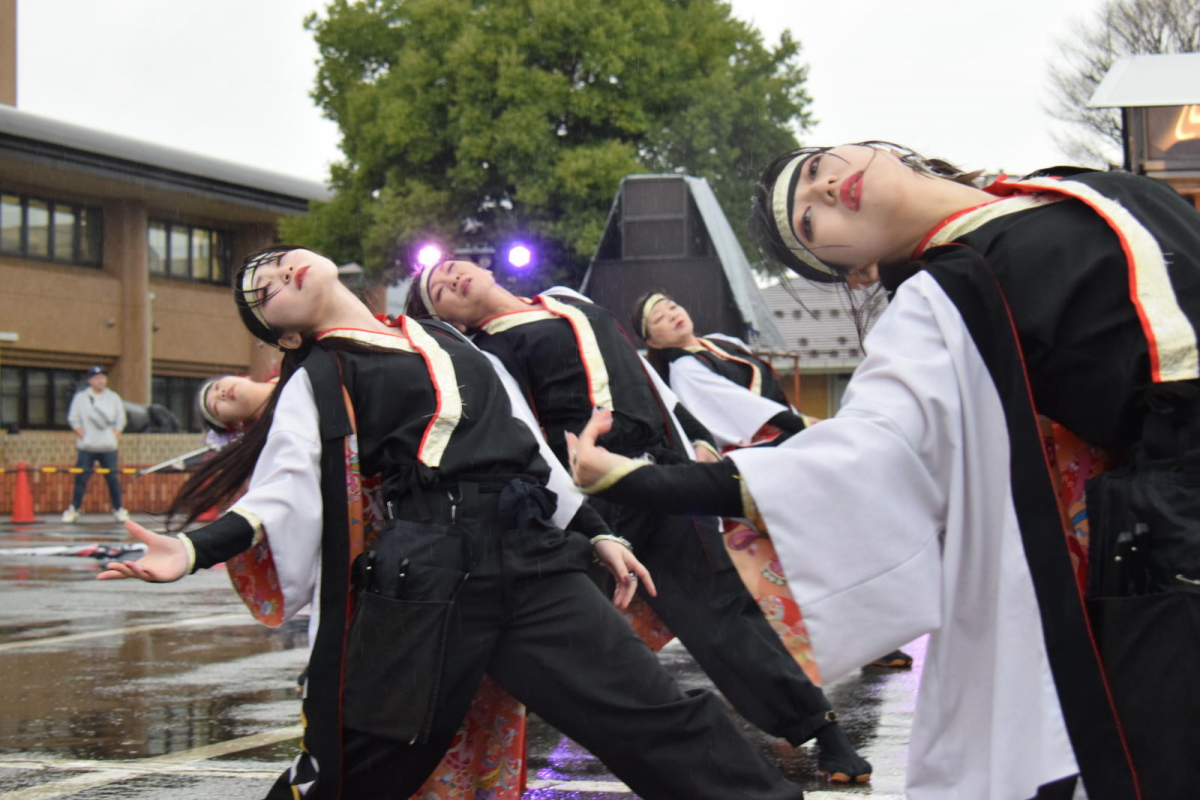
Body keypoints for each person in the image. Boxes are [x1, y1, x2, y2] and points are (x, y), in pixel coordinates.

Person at [564, 141, 1200, 800]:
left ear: (871, 150)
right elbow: (856, 457)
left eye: (814, 172)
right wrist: (629, 477)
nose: (825, 192)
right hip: (1179, 515)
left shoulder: (1073, 185)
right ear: (861, 271)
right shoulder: (938, 305)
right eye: (810, 224)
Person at [97, 245, 805, 800]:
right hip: (426, 575)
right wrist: (191, 550)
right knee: (371, 760)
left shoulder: (454, 342)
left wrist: (598, 532)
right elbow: (278, 498)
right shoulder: (319, 376)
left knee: (653, 715)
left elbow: (533, 450)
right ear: (282, 337)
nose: (275, 274)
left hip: (534, 560)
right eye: (263, 293)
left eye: (280, 263)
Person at [405, 263, 872, 783]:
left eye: (450, 270)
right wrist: (581, 517)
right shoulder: (487, 354)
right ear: (446, 320)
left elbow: (646, 377)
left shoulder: (564, 298)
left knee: (724, 616)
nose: (450, 280)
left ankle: (823, 731)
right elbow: (526, 436)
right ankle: (425, 751)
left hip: (659, 474)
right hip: (592, 495)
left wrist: (694, 435)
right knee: (581, 648)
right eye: (438, 292)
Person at [633, 289, 913, 671]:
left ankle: (862, 640)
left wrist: (799, 426)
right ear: (651, 342)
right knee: (805, 553)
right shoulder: (683, 369)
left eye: (672, 305)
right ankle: (842, 644)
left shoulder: (721, 344)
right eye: (659, 319)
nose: (672, 314)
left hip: (783, 452)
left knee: (816, 549)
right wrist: (800, 425)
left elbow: (769, 400)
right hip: (757, 465)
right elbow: (740, 411)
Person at [63, 365, 129, 523]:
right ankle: (75, 508)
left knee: (112, 478)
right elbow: (73, 418)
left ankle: (119, 509)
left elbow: (121, 420)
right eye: (97, 378)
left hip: (108, 447)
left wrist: (113, 436)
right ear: (90, 380)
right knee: (81, 478)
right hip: (87, 447)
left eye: (103, 377)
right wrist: (83, 435)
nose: (101, 381)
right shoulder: (81, 397)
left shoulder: (113, 398)